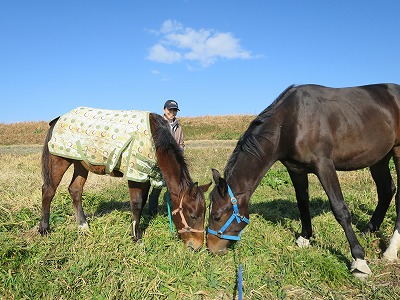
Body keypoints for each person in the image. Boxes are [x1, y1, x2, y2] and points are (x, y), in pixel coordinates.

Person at [148, 100, 185, 215]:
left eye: (174, 110)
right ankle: (152, 211)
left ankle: (175, 211)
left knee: (174, 186)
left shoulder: (178, 127)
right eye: (170, 110)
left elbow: (182, 144)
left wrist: (180, 150)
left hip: (173, 162)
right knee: (157, 185)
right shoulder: (157, 124)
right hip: (159, 159)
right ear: (164, 109)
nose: (172, 112)